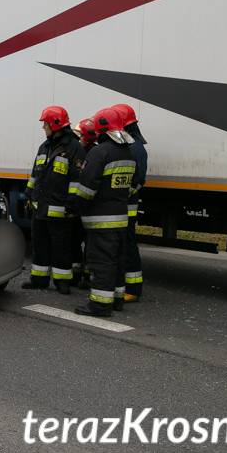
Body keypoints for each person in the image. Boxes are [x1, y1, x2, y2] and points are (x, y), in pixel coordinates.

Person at [69, 107, 136, 316]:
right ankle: (116, 299)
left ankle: (99, 305)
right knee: (116, 260)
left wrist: (74, 206)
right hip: (120, 217)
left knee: (101, 262)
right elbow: (131, 186)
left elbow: (87, 187)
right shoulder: (128, 153)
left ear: (102, 128)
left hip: (101, 219)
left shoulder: (99, 152)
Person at [22, 106, 86, 294]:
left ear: (56, 124)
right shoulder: (45, 146)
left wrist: (71, 202)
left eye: (45, 124)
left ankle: (62, 282)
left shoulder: (74, 148)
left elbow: (77, 179)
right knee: (39, 245)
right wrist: (28, 194)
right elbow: (36, 174)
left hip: (60, 210)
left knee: (61, 247)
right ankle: (39, 280)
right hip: (40, 207)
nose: (44, 127)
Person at [113, 103, 148, 303]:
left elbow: (136, 181)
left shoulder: (133, 148)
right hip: (123, 206)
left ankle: (133, 288)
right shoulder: (133, 146)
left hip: (126, 206)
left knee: (127, 245)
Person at [70, 118, 98, 288]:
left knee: (88, 242)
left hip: (85, 204)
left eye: (80, 134)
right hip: (80, 203)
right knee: (76, 240)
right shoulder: (81, 150)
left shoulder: (91, 153)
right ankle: (77, 273)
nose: (77, 137)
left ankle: (86, 275)